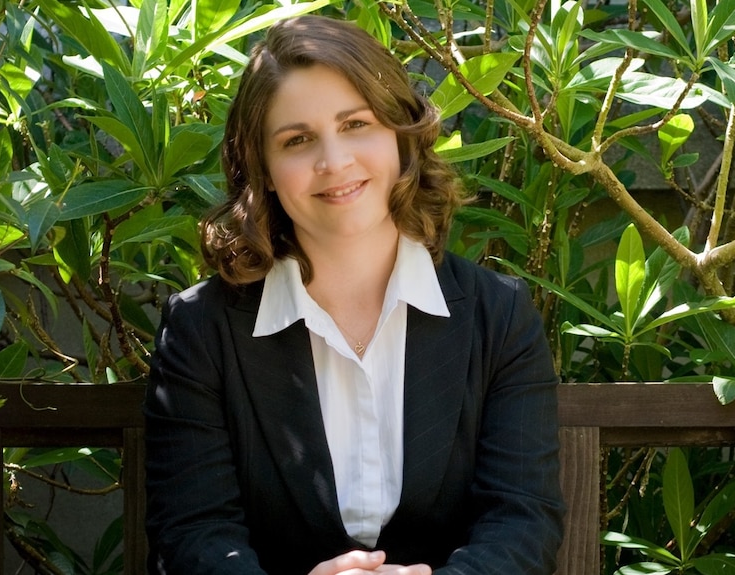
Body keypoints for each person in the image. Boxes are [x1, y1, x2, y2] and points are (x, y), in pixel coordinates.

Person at [144, 14, 565, 575]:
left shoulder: (499, 318)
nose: (334, 162)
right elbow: (194, 533)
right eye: (297, 140)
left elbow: (523, 517)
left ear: (400, 133)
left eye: (356, 124)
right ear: (263, 168)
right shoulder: (202, 330)